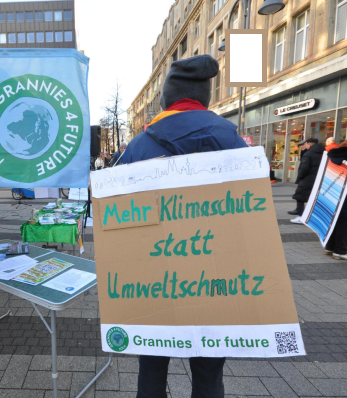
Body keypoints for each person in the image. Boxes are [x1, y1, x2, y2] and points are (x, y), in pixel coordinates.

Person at [120, 54, 247, 398]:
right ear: (205, 97)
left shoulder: (139, 146)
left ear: (165, 98)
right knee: (209, 373)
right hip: (218, 280)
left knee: (152, 368)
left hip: (153, 280)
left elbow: (114, 217)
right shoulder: (238, 146)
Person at [290, 138, 325, 224]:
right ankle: (313, 217)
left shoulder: (308, 154)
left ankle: (301, 217)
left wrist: (299, 177)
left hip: (307, 179)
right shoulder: (324, 153)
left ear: (309, 144)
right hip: (318, 179)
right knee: (312, 198)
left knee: (300, 197)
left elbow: (304, 169)